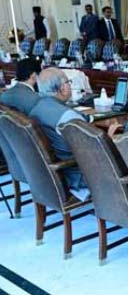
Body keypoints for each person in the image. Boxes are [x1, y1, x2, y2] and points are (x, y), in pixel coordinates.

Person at [28, 68, 90, 200]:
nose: (70, 85)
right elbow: (93, 150)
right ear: (62, 88)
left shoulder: (35, 109)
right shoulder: (68, 117)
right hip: (77, 176)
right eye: (68, 82)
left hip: (52, 174)